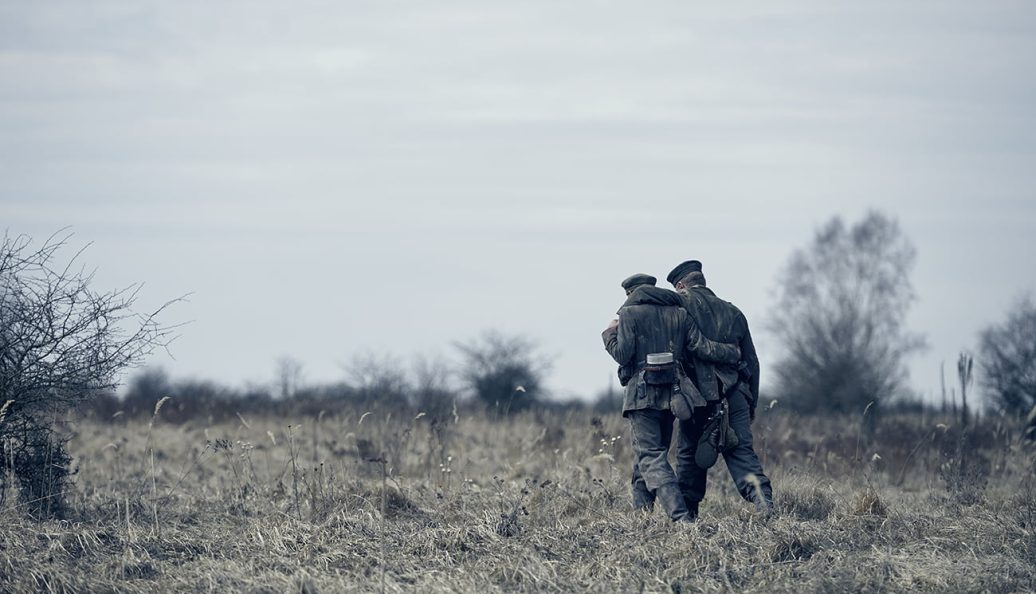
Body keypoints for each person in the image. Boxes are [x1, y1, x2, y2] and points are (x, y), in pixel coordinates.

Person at [602, 274, 740, 521]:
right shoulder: (679, 313)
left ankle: (681, 518)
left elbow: (622, 355)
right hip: (674, 395)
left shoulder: (630, 315)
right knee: (650, 454)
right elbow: (701, 347)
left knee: (650, 456)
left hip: (641, 395)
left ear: (631, 293)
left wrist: (609, 333)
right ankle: (641, 517)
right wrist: (732, 352)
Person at [666, 260, 773, 518]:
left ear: (681, 285)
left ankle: (688, 518)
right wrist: (751, 404)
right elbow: (752, 363)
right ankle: (763, 503)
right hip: (734, 396)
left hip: (696, 399)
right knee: (741, 454)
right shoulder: (733, 312)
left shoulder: (678, 308)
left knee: (689, 457)